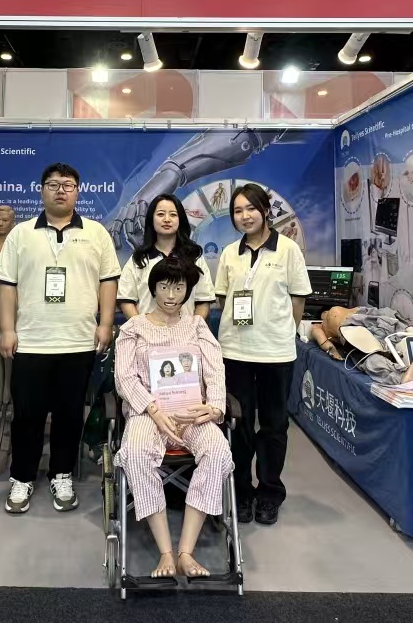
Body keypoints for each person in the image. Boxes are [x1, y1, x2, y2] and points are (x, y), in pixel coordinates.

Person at [0, 163, 120, 515]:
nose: (60, 190)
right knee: (27, 415)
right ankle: (22, 477)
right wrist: (7, 329)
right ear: (41, 190)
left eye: (68, 185)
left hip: (78, 342)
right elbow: (7, 285)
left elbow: (108, 281)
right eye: (53, 184)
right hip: (31, 341)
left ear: (78, 191)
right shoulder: (21, 234)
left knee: (69, 415)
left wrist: (105, 322)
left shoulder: (96, 233)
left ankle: (61, 474)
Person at [114, 257, 232, 579]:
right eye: (164, 286)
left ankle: (186, 553)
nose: (171, 295)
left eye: (178, 288)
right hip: (148, 412)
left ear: (187, 291)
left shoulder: (197, 326)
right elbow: (124, 378)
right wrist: (152, 409)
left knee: (218, 450)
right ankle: (166, 551)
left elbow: (215, 370)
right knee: (135, 452)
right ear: (153, 288)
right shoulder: (133, 328)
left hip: (191, 411)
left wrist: (215, 407)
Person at [214, 183, 311, 526]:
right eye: (237, 211)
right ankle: (241, 492)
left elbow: (298, 299)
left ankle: (269, 492)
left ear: (265, 211)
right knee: (238, 423)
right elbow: (223, 298)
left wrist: (281, 331)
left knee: (274, 424)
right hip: (236, 350)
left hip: (276, 353)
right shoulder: (230, 253)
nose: (245, 216)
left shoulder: (288, 250)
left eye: (251, 208)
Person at [117, 194, 214, 318]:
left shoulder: (194, 257)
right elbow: (126, 300)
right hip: (146, 330)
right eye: (161, 214)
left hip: (187, 329)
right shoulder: (139, 259)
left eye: (173, 214)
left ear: (180, 219)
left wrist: (194, 327)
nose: (167, 219)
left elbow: (203, 300)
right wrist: (140, 327)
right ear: (151, 219)